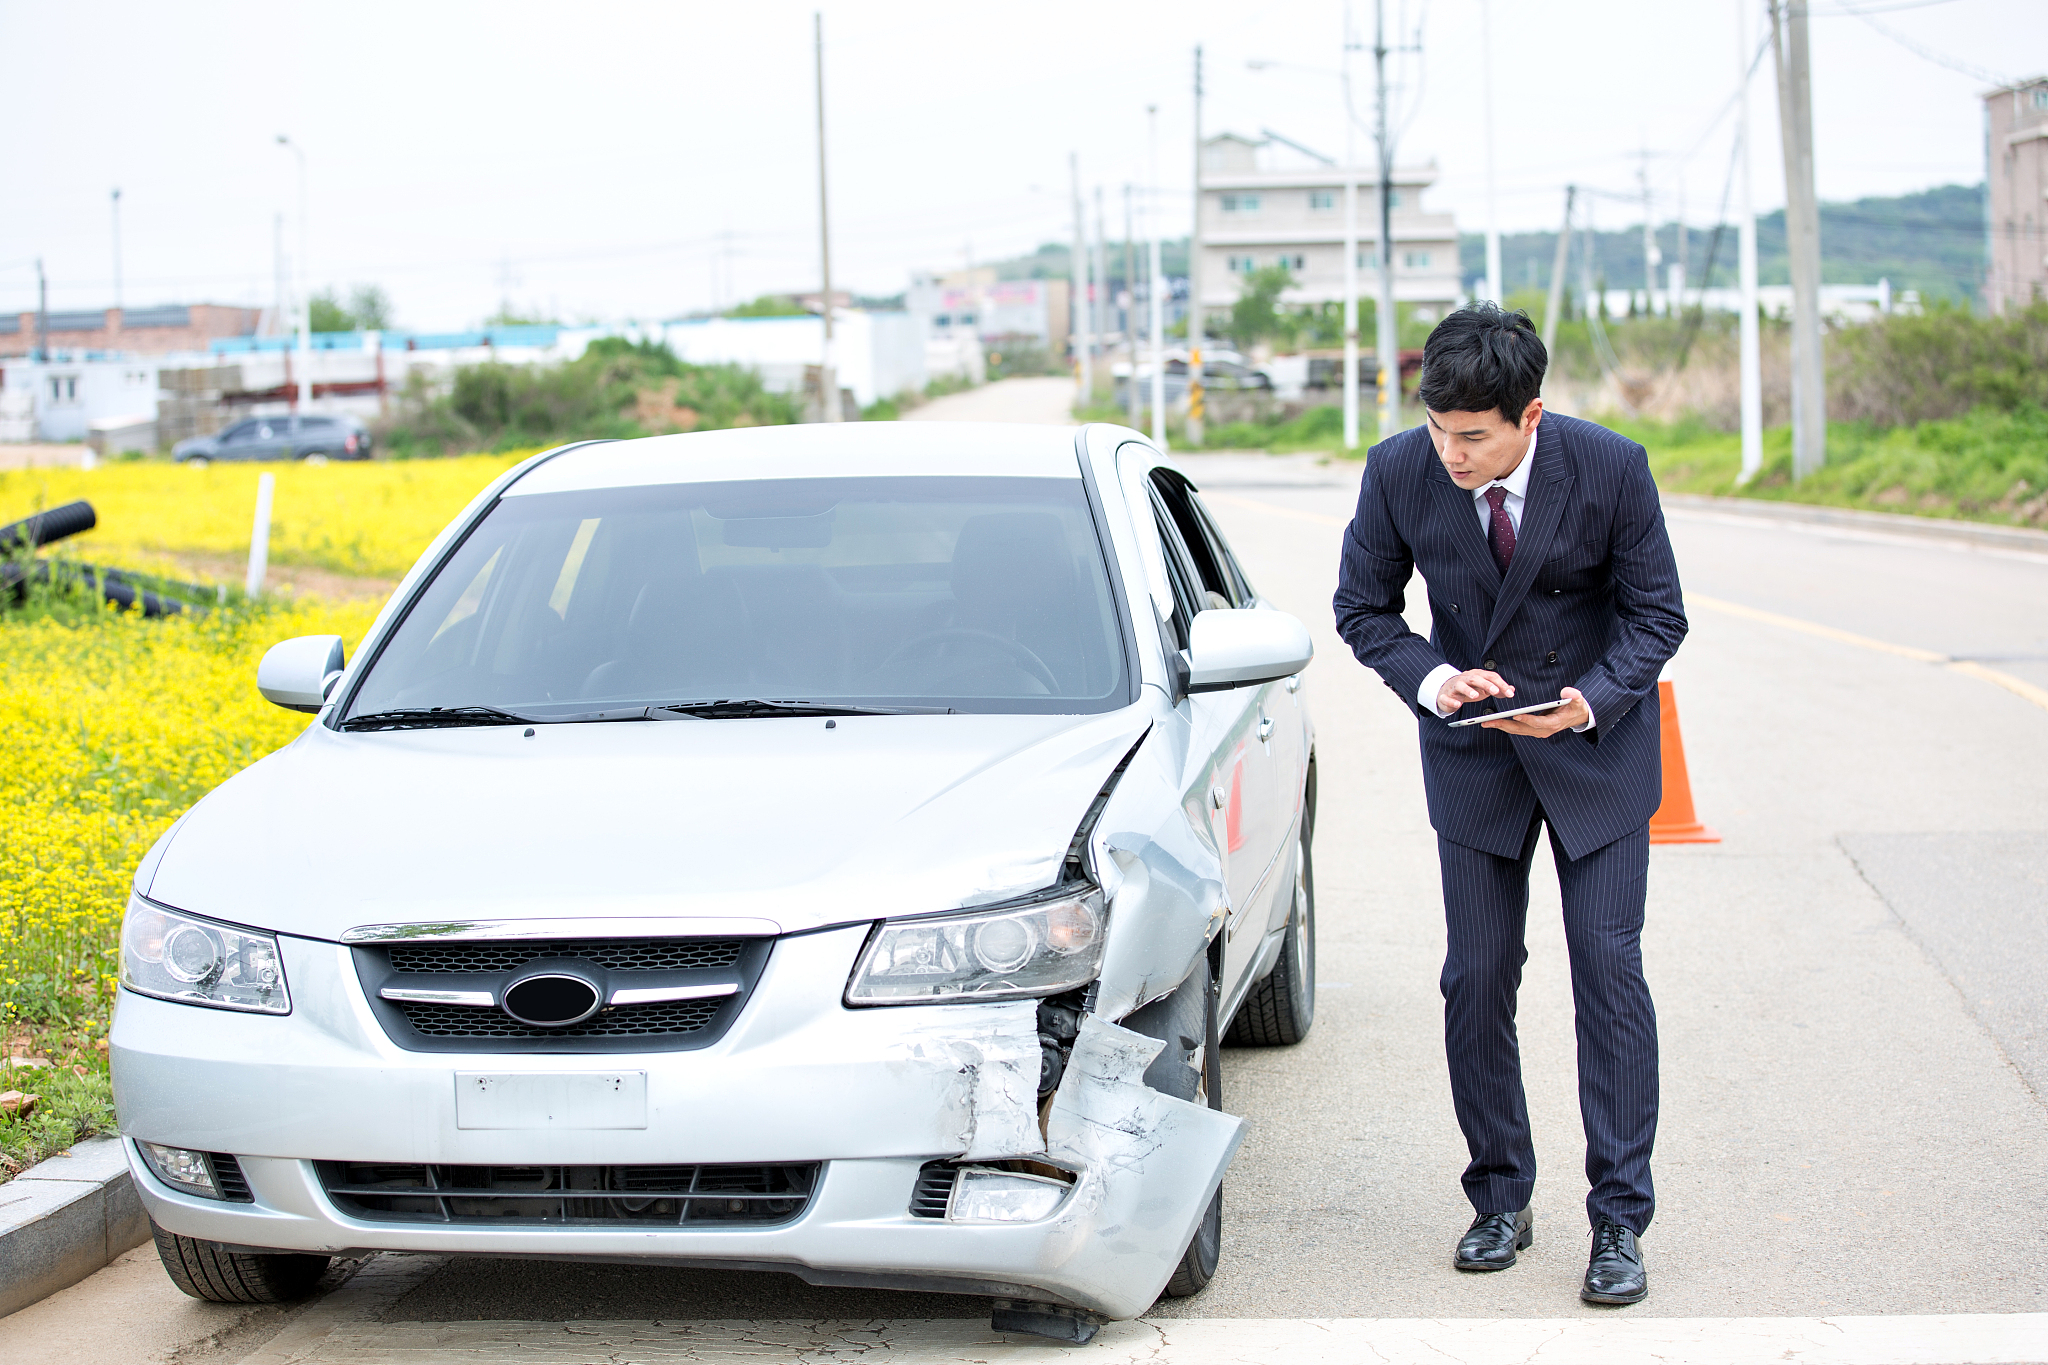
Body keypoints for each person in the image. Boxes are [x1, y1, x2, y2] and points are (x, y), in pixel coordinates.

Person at [1332, 303, 1686, 1306]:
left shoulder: (1610, 466)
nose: (1449, 451)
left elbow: (1656, 613)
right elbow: (1363, 608)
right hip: (1475, 762)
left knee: (1607, 974)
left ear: (1528, 416)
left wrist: (1586, 702)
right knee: (1474, 978)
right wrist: (1436, 681)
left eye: (1472, 435)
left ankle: (1617, 1220)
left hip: (1594, 755)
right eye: (1438, 427)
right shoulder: (1398, 468)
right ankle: (1498, 1196)